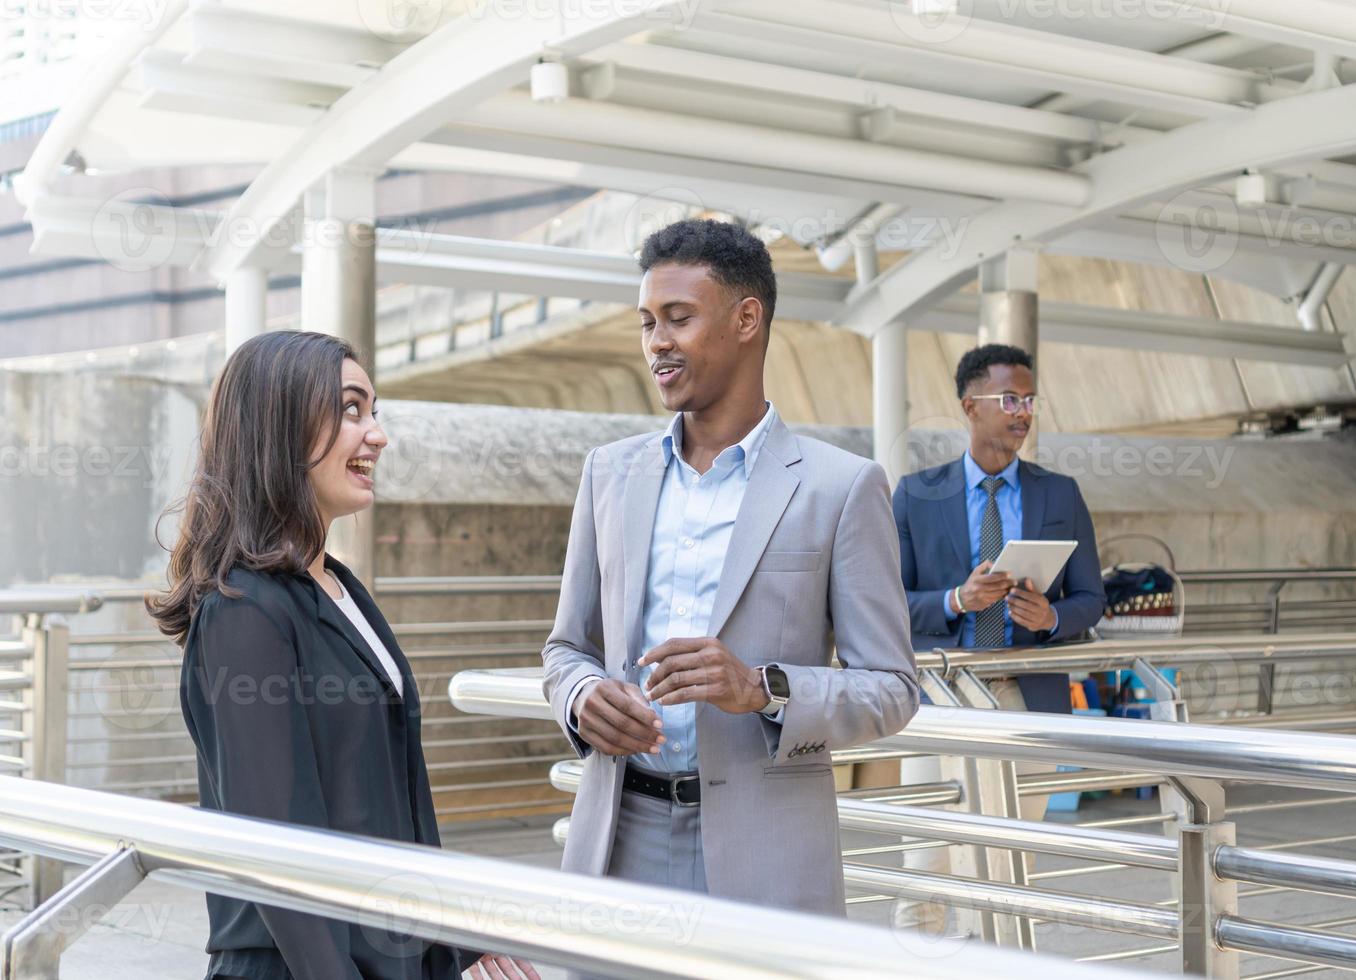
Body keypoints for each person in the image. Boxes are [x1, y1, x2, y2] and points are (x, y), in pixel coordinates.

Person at [542, 219, 918, 918]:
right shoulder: (609, 474)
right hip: (617, 843)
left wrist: (760, 687)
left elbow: (893, 689)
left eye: (678, 318)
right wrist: (580, 697)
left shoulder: (842, 486)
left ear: (748, 319)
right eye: (648, 322)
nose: (657, 341)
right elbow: (567, 648)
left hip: (767, 859)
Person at [148, 331, 531, 980]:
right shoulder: (246, 610)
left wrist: (456, 931)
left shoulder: (340, 587)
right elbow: (275, 851)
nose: (376, 434)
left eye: (374, 411)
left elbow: (387, 794)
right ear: (280, 428)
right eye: (351, 410)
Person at [890, 343, 1105, 933]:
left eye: (1030, 400)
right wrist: (957, 600)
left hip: (1026, 695)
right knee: (926, 868)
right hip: (942, 698)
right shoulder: (915, 493)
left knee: (1008, 874)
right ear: (970, 405)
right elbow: (882, 604)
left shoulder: (1058, 494)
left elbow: (1091, 597)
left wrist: (1051, 619)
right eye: (1010, 399)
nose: (1023, 412)